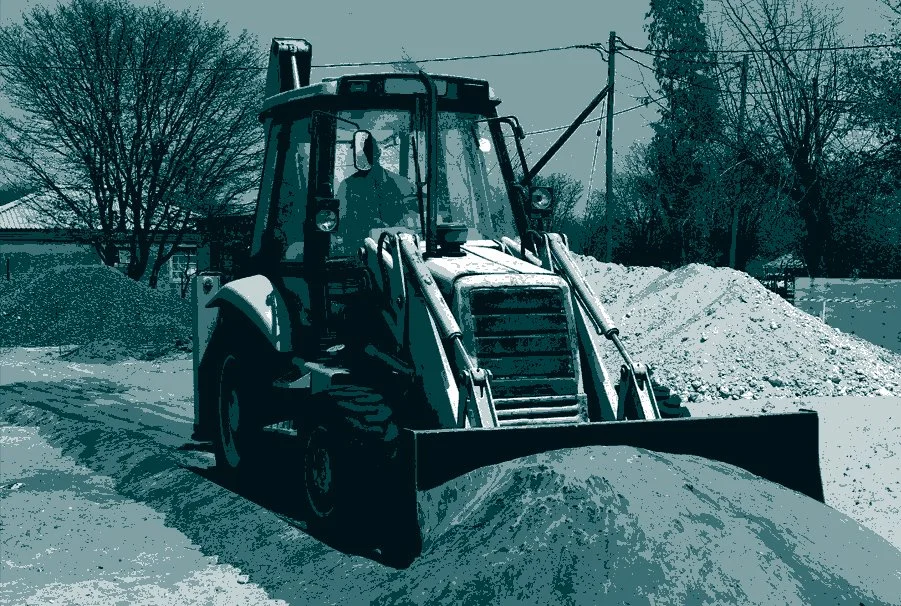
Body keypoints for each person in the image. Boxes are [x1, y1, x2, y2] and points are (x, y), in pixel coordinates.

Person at [336, 135, 419, 248]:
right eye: (364, 151)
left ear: (378, 153)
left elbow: (412, 219)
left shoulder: (401, 183)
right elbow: (341, 222)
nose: (368, 155)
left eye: (370, 151)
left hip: (396, 247)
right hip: (359, 249)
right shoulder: (347, 186)